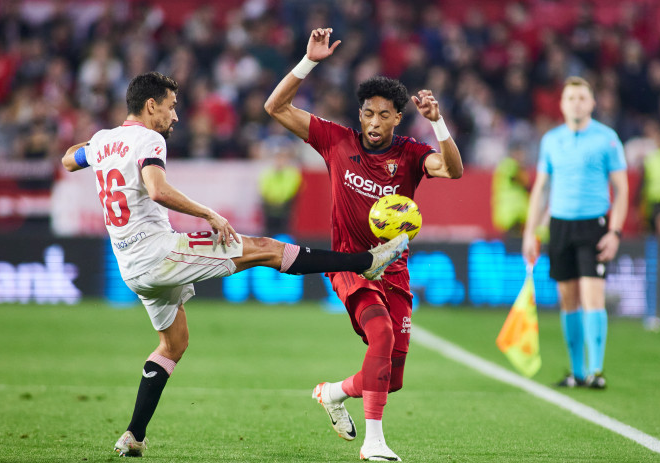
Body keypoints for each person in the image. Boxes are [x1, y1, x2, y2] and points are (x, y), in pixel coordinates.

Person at [60, 71, 409, 458]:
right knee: (266, 249)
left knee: (173, 345)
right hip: (158, 254)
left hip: (129, 267)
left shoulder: (104, 141)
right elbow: (157, 189)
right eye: (172, 108)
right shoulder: (149, 138)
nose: (175, 117)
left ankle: (133, 436)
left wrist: (96, 145)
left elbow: (68, 160)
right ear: (151, 106)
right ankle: (366, 261)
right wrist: (207, 213)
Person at [264, 28, 463, 461]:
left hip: (394, 268)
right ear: (360, 114)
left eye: (383, 115)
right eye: (367, 114)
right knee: (381, 333)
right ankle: (374, 443)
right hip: (352, 265)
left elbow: (453, 170)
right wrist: (309, 61)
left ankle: (333, 393)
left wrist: (438, 122)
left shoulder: (411, 154)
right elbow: (274, 107)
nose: (373, 123)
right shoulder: (337, 141)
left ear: (397, 118)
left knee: (390, 377)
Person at [522, 76, 628, 390]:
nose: (576, 103)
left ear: (593, 103)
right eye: (571, 98)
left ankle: (596, 370)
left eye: (582, 98)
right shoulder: (552, 140)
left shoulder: (607, 139)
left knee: (593, 296)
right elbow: (541, 189)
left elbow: (621, 190)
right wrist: (531, 233)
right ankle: (577, 372)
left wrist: (616, 231)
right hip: (560, 225)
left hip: (593, 224)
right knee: (567, 299)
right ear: (562, 104)